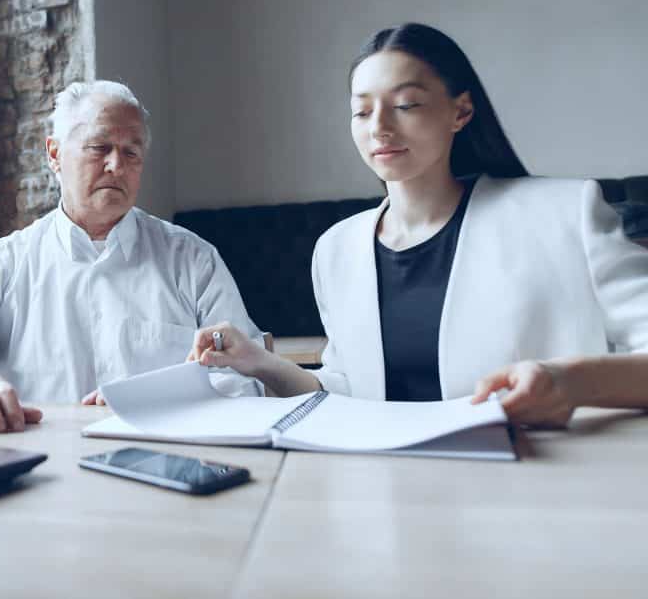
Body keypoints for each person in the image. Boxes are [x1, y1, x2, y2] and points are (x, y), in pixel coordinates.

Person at [189, 23, 648, 427]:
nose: (380, 128)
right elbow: (352, 393)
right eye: (362, 111)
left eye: (406, 104)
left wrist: (569, 383)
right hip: (393, 492)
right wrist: (259, 362)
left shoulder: (566, 214)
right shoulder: (337, 248)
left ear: (461, 111)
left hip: (545, 490)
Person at [0, 80, 261, 435]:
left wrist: (165, 398)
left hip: (173, 461)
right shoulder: (1, 266)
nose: (117, 165)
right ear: (55, 154)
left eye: (132, 152)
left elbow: (251, 370)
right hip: (42, 475)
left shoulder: (193, 259)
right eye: (100, 148)